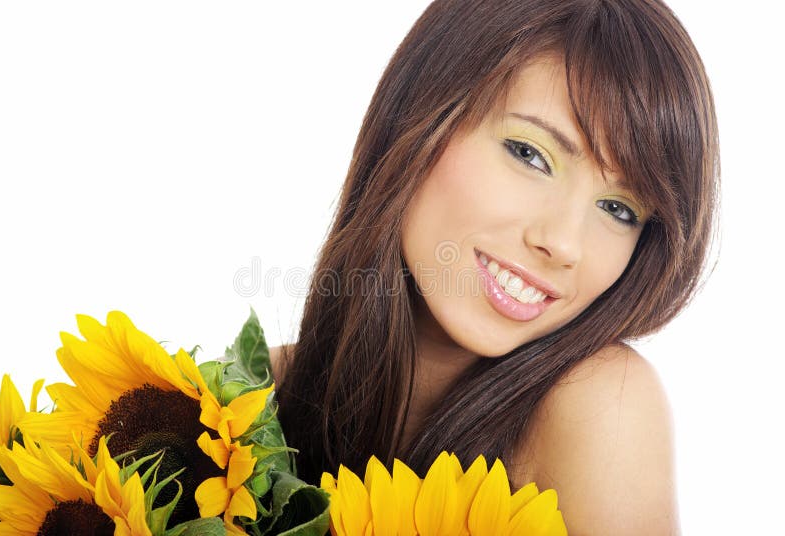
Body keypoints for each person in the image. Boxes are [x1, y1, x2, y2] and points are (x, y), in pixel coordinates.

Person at [272, 0, 718, 533]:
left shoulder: (604, 406)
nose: (562, 243)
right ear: (418, 114)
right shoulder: (242, 408)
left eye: (619, 209)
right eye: (530, 155)